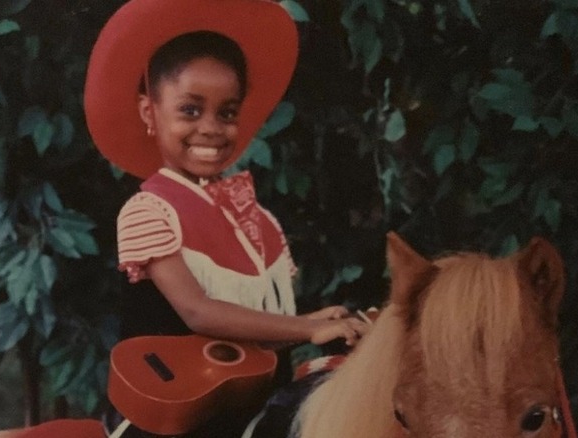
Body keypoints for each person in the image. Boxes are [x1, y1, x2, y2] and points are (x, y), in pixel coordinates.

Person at [84, 0, 369, 436]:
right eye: (191, 110)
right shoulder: (148, 210)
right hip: (176, 416)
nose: (212, 128)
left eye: (228, 112)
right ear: (149, 113)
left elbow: (250, 341)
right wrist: (306, 326)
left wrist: (322, 323)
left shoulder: (258, 223)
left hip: (244, 403)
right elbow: (198, 313)